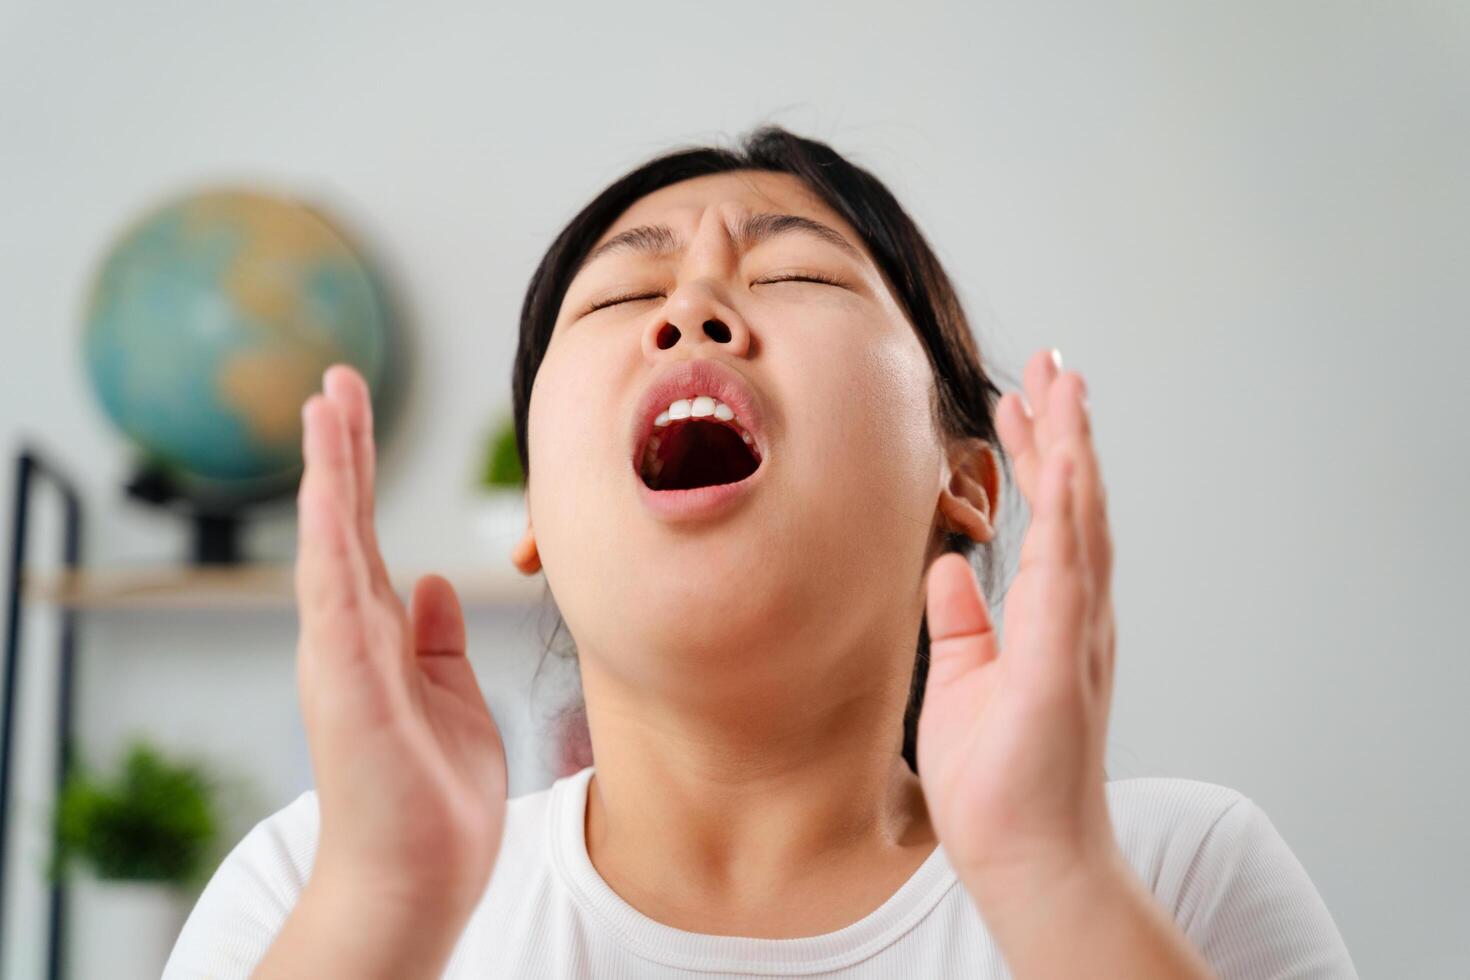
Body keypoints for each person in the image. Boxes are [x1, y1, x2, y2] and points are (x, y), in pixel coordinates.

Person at [163, 126, 1358, 978]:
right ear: (535, 508)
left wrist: (1055, 882)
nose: (692, 309)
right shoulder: (314, 885)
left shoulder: (1176, 873)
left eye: (794, 272)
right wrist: (385, 912)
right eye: (623, 296)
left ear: (968, 480)